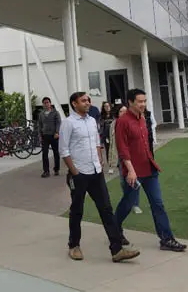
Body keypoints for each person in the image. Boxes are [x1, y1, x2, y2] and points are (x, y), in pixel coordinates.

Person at [59, 91, 140, 263]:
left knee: (106, 209)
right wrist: (75, 172)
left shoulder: (91, 121)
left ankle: (117, 250)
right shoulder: (68, 123)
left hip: (96, 173)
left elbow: (97, 142)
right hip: (79, 174)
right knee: (77, 210)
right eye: (83, 101)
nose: (88, 103)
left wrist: (99, 160)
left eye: (88, 100)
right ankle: (74, 245)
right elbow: (64, 150)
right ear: (74, 104)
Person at [115, 89, 187, 252]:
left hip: (149, 169)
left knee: (158, 204)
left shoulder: (143, 119)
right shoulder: (123, 121)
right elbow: (123, 148)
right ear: (130, 102)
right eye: (140, 101)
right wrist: (131, 171)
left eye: (144, 101)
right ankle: (114, 230)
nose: (143, 104)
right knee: (127, 204)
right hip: (133, 172)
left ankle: (167, 239)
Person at [38, 97, 61, 178]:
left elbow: (58, 123)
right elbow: (40, 125)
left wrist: (57, 132)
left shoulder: (55, 113)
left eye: (47, 102)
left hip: (54, 135)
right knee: (44, 154)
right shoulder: (41, 114)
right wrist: (40, 135)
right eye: (44, 103)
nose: (46, 104)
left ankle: (56, 169)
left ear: (50, 103)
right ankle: (46, 171)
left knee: (56, 153)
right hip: (45, 136)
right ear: (43, 104)